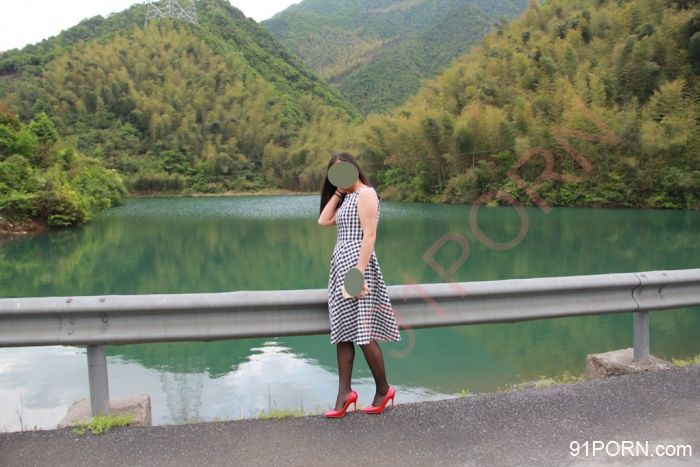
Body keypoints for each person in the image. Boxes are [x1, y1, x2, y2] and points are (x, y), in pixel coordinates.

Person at [317, 151, 401, 418]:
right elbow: (323, 220)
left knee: (363, 334)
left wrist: (358, 274)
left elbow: (370, 235)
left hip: (357, 267)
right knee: (342, 332)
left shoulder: (366, 194)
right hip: (340, 267)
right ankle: (344, 395)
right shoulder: (348, 197)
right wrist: (338, 193)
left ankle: (384, 390)